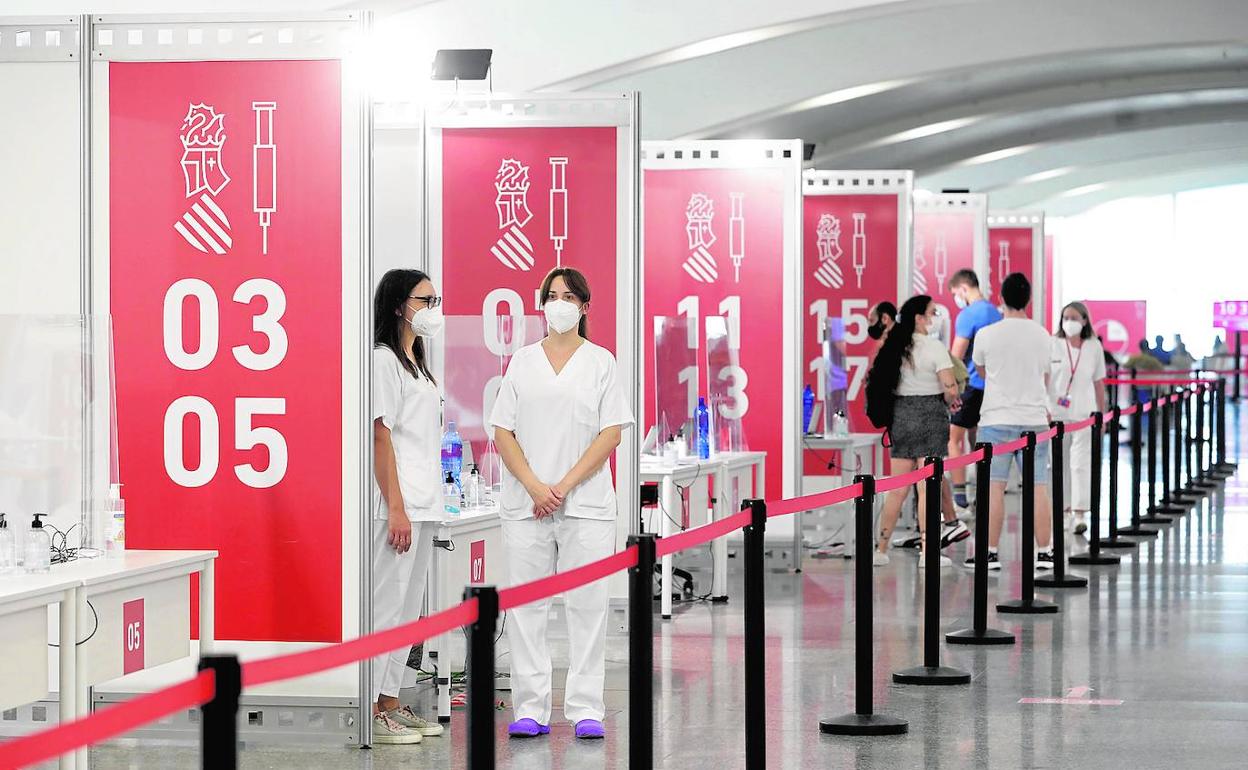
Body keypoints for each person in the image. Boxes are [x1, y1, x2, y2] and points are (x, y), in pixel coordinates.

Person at [490, 267, 634, 741]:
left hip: (585, 505)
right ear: (542, 304)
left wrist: (562, 487)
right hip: (527, 504)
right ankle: (530, 707)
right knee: (526, 609)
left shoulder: (601, 362)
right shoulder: (522, 361)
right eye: (552, 295)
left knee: (587, 606)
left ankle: (586, 707)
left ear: (585, 307)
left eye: (569, 295)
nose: (559, 303)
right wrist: (534, 486)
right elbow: (502, 430)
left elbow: (610, 433)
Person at [369, 269, 447, 745]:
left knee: (405, 612)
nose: (433, 308)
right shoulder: (383, 361)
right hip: (398, 506)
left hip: (424, 501)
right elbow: (382, 436)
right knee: (385, 607)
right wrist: (395, 507)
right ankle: (372, 705)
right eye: (425, 299)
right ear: (400, 305)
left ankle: (392, 700)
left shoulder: (417, 362)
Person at [964, 273, 1055, 571]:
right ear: (1028, 299)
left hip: (995, 420)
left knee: (994, 489)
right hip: (1034, 420)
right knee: (1038, 488)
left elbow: (980, 367)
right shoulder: (1042, 335)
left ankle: (989, 553)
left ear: (1001, 298)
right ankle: (1045, 552)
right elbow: (1045, 373)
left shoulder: (987, 335)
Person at [867, 295, 965, 567]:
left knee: (897, 489)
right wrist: (951, 399)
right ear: (919, 318)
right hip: (930, 416)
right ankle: (927, 552)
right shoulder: (933, 347)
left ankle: (881, 549)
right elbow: (950, 386)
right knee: (927, 489)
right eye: (932, 313)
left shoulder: (893, 346)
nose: (935, 318)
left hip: (901, 416)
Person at [947, 270, 1002, 509]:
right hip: (993, 387)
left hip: (970, 386)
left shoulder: (968, 315)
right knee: (979, 438)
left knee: (953, 438)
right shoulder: (996, 314)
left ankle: (960, 496)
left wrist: (948, 385)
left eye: (954, 293)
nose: (956, 298)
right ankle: (983, 491)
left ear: (963, 288)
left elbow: (956, 355)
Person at [1051, 302, 1107, 536]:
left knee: (1081, 463)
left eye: (1074, 317)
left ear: (1084, 320)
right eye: (1065, 317)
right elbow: (1046, 378)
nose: (1069, 322)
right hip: (1058, 414)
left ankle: (1080, 513)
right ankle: (1062, 511)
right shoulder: (1053, 344)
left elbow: (1098, 382)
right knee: (1060, 464)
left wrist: (1101, 415)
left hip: (1085, 414)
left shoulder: (1093, 347)